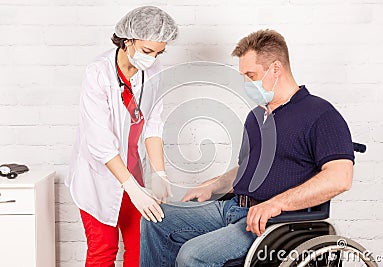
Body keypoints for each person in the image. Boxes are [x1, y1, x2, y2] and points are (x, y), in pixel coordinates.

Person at [140, 29, 355, 266]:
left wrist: (276, 204)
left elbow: (340, 178)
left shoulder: (320, 114)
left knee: (192, 255)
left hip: (272, 223)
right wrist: (214, 186)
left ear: (275, 68)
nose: (246, 83)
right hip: (232, 208)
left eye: (251, 75)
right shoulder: (255, 116)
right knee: (155, 220)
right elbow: (245, 169)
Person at [65, 6, 178, 266]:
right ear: (128, 40)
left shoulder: (154, 72)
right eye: (148, 51)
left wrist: (159, 174)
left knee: (141, 249)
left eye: (159, 52)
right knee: (103, 249)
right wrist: (130, 188)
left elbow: (153, 125)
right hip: (98, 176)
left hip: (133, 170)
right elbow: (99, 142)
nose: (153, 58)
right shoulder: (98, 73)